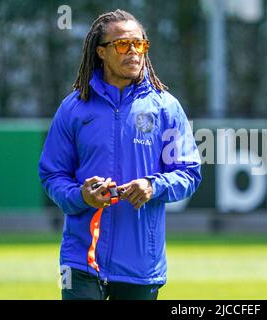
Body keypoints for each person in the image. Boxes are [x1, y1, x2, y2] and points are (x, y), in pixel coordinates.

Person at [39, 9, 202, 300]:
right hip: (80, 261)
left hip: (141, 266)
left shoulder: (166, 107)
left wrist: (152, 186)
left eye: (139, 44)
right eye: (123, 45)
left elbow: (188, 173)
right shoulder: (74, 108)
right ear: (101, 52)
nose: (134, 52)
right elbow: (52, 175)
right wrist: (81, 196)